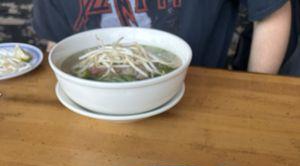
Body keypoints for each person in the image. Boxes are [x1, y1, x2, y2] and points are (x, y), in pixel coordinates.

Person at [33, 0, 299, 74]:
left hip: (202, 92)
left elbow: (272, 10)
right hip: (94, 104)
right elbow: (57, 43)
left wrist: (254, 88)